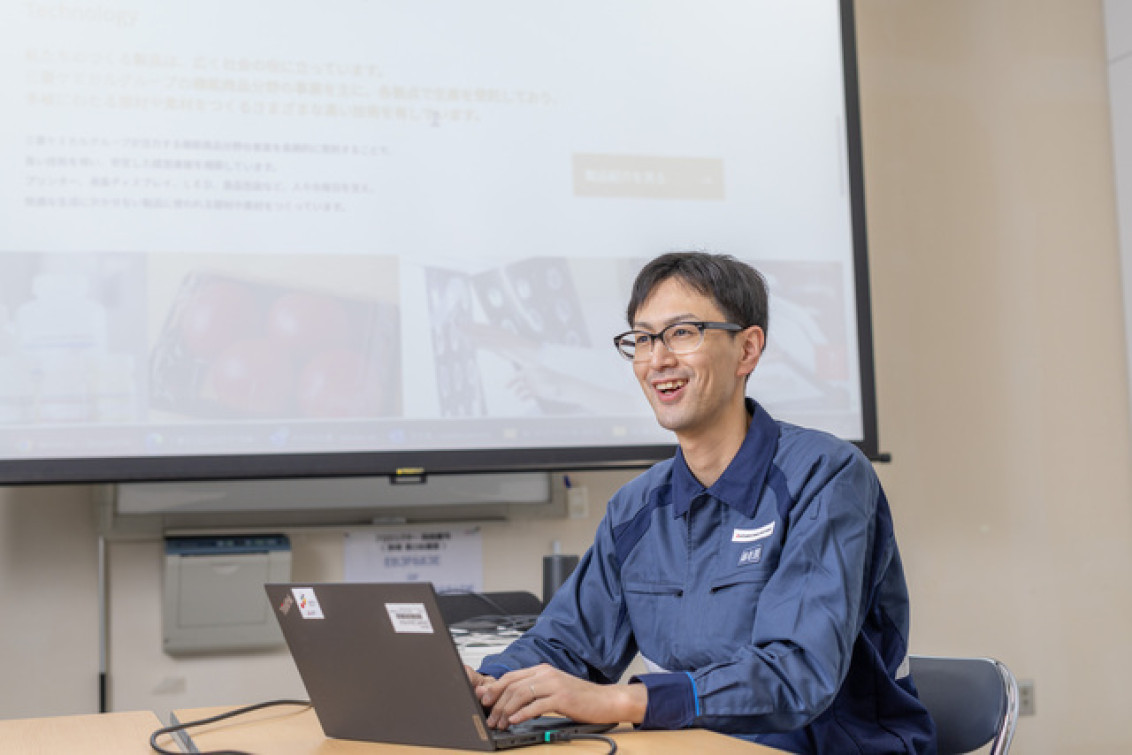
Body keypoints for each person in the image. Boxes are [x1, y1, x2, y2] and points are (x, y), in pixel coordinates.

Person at [466, 252, 936, 754]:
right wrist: (486, 686)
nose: (657, 359)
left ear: (747, 350)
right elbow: (565, 644)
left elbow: (797, 672)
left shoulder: (826, 475)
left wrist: (622, 701)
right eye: (643, 339)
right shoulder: (636, 507)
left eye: (682, 333)